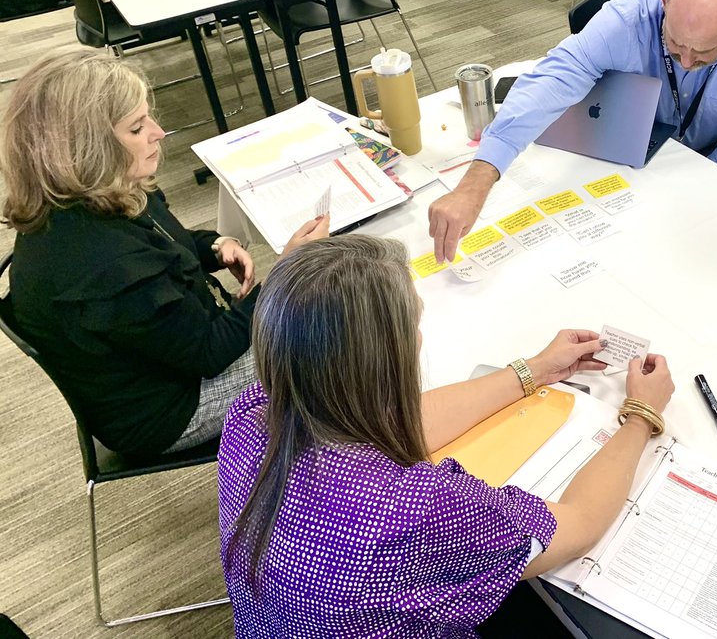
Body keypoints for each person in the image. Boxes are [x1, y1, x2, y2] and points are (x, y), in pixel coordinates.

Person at [219, 235, 675, 636]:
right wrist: (640, 415)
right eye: (413, 325)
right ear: (385, 356)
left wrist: (533, 370)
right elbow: (578, 524)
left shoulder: (252, 411)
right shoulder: (412, 509)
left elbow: (399, 420)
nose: (418, 338)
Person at [1, 50, 328, 458]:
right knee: (338, 336)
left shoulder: (95, 195)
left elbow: (165, 241)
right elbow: (210, 352)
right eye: (138, 128)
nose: (158, 132)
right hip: (172, 409)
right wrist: (285, 276)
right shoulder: (105, 266)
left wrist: (214, 246)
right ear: (87, 149)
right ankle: (346, 482)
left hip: (173, 359)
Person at [428, 0, 717, 261]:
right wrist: (475, 183)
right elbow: (552, 80)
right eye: (676, 44)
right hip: (633, 141)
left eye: (705, 53)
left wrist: (686, 191)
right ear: (664, 6)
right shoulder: (628, 17)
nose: (685, 59)